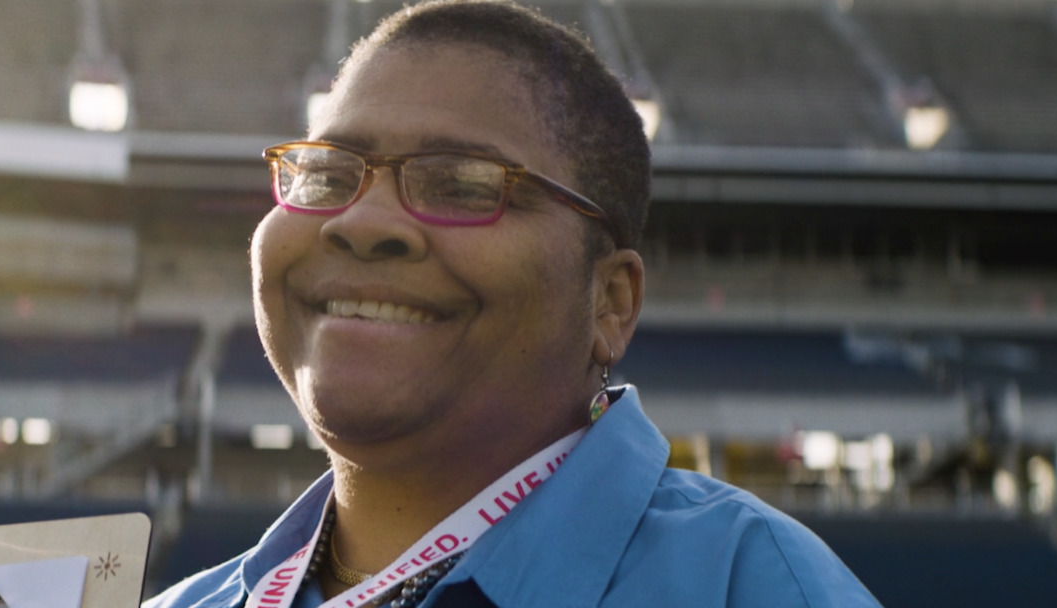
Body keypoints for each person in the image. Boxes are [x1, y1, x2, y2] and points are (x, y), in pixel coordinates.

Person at [146, 1, 880, 606]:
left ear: (610, 303)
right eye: (329, 173)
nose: (359, 223)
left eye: (462, 183)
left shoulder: (753, 585)